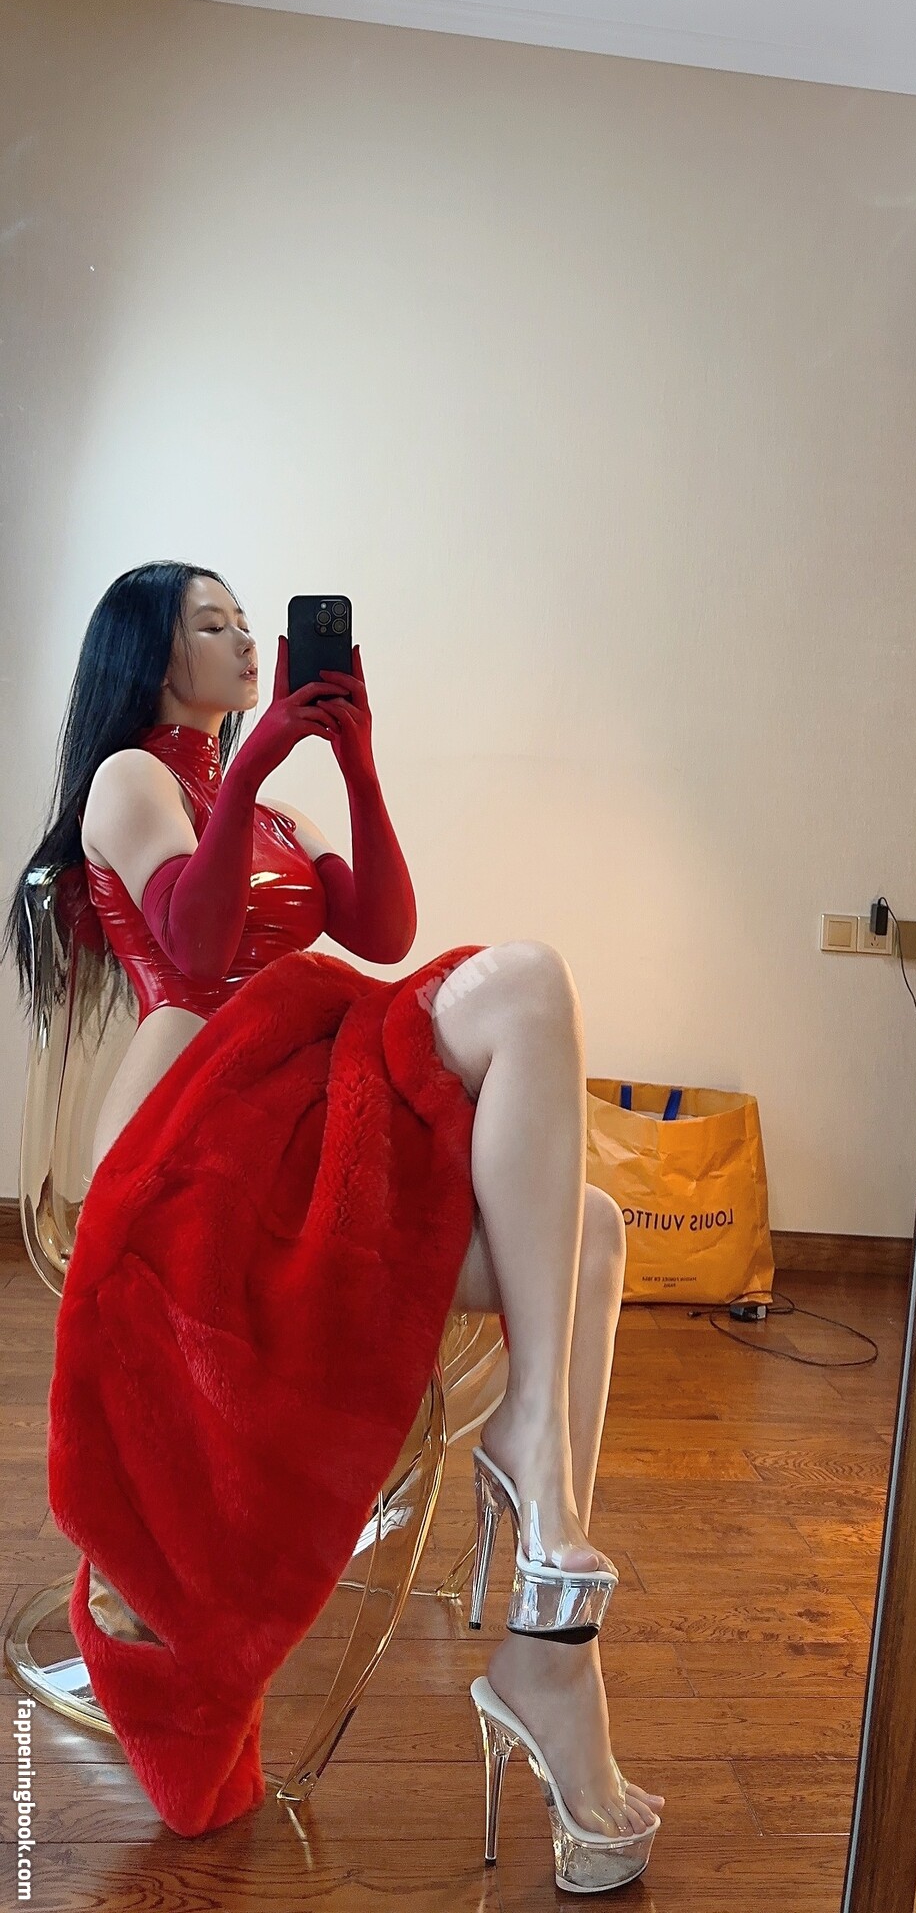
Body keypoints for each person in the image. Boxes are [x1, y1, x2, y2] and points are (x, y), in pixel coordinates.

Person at [3, 560, 664, 1887]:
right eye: (214, 624)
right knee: (526, 983)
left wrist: (353, 765)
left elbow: (383, 929)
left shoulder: (276, 810)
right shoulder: (130, 782)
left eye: (251, 625)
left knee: (591, 1232)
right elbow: (195, 952)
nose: (247, 642)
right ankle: (534, 1481)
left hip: (300, 1106)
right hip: (194, 1132)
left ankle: (550, 1642)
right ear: (152, 654)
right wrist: (256, 765)